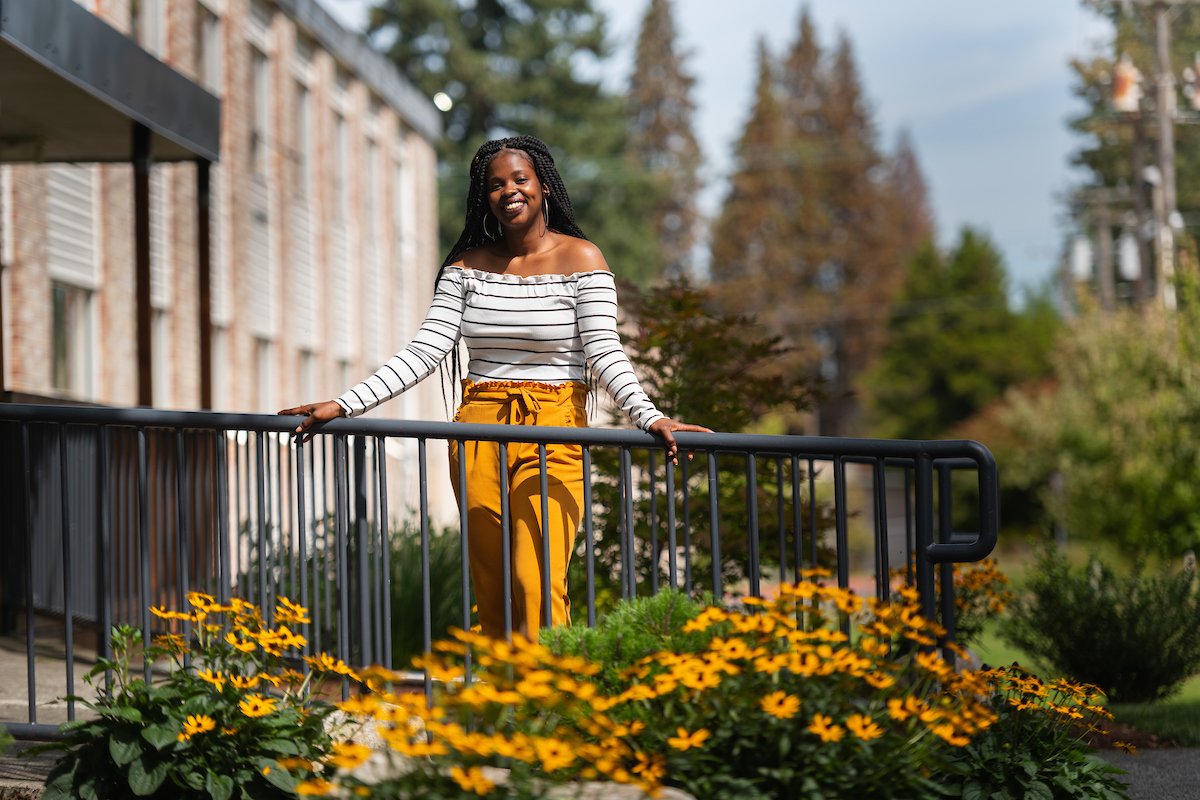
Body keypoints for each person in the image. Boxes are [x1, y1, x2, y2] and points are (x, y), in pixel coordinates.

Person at [280, 135, 709, 640]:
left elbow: (604, 353)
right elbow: (425, 351)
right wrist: (345, 404)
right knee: (492, 580)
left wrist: (650, 417)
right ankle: (502, 702)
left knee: (537, 577)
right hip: (479, 426)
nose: (509, 191)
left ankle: (552, 701)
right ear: (484, 198)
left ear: (544, 187)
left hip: (555, 428)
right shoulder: (465, 269)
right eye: (495, 185)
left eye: (520, 180)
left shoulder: (584, 260)